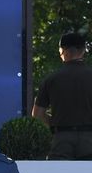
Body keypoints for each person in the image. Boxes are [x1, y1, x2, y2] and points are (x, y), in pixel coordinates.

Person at [32, 31, 92, 160]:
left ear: (63, 51)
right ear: (83, 51)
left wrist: (53, 123)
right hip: (90, 139)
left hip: (61, 140)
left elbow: (37, 115)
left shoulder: (51, 79)